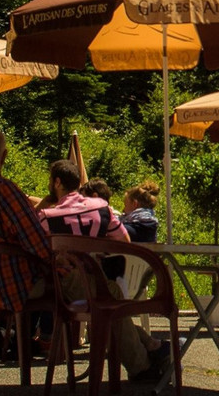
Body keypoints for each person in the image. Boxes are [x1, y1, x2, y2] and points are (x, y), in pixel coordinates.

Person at [0, 127, 167, 382]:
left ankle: (149, 347)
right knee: (106, 292)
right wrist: (63, 260)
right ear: (3, 157)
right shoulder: (2, 191)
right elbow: (37, 241)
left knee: (96, 294)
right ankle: (142, 366)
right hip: (17, 285)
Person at [38, 160, 170, 380]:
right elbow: (124, 241)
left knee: (109, 301)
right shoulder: (101, 208)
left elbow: (39, 251)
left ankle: (147, 357)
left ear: (57, 182)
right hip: (96, 279)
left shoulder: (47, 217)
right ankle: (147, 358)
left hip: (64, 284)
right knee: (111, 298)